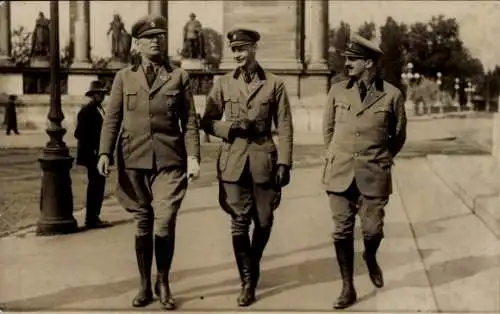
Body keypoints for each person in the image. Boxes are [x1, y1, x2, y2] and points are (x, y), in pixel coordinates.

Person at [97, 14, 201, 310]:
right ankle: (144, 284)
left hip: (170, 160)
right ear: (138, 44)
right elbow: (113, 118)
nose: (156, 41)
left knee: (164, 222)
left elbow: (190, 121)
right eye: (150, 37)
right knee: (143, 225)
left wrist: (193, 156)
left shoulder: (179, 76)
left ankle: (164, 282)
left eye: (160, 36)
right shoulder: (124, 77)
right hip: (134, 161)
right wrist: (104, 152)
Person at [201, 28, 294, 307]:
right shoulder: (222, 83)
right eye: (234, 50)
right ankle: (248, 281)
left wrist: (285, 162)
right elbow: (207, 120)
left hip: (264, 160)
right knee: (239, 221)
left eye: (242, 49)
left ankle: (252, 265)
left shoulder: (275, 83)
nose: (238, 55)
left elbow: (286, 126)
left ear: (254, 48)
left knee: (264, 221)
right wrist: (230, 127)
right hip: (234, 160)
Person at [321, 33, 407, 309]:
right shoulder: (336, 90)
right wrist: (339, 154)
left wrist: (379, 158)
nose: (346, 63)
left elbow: (398, 136)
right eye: (346, 58)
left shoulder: (392, 95)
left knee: (372, 230)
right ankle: (348, 287)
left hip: (373, 173)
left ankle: (370, 256)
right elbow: (328, 131)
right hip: (340, 172)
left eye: (352, 59)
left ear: (368, 63)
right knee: (341, 231)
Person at [74, 80, 110, 229]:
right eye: (98, 93)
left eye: (102, 94)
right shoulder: (87, 111)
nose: (101, 96)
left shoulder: (99, 110)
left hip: (98, 154)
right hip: (93, 155)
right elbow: (79, 133)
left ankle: (95, 216)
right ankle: (91, 218)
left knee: (99, 185)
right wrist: (94, 149)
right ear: (92, 95)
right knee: (95, 185)